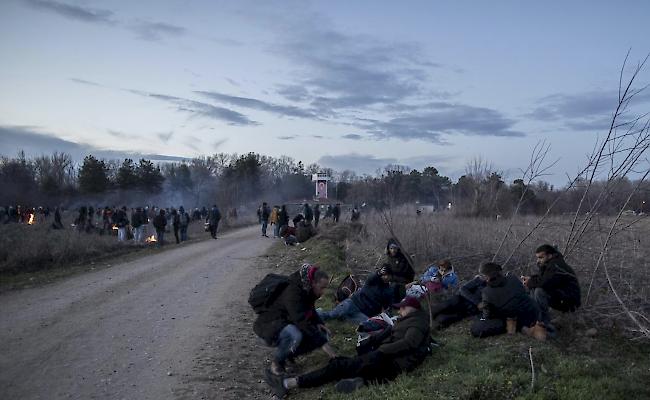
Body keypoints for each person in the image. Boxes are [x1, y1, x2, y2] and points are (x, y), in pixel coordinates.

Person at [265, 296, 431, 397]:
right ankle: (361, 380)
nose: (400, 310)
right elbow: (389, 333)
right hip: (389, 363)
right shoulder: (410, 320)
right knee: (347, 365)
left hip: (390, 361)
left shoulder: (417, 323)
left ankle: (289, 383)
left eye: (403, 307)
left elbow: (410, 343)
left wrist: (382, 350)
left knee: (338, 365)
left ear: (413, 308)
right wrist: (372, 341)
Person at [253, 264, 336, 376]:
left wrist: (319, 323)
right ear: (313, 283)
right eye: (322, 288)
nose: (323, 292)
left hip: (287, 322)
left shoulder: (307, 289)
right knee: (295, 335)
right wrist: (324, 344)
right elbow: (301, 320)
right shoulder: (292, 293)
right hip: (270, 326)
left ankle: (288, 355)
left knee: (321, 333)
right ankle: (277, 363)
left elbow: (310, 309)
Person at [470, 262, 538, 338]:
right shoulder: (513, 278)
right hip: (532, 313)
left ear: (487, 277)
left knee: (476, 329)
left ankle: (520, 327)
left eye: (482, 276)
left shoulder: (487, 292)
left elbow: (487, 315)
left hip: (516, 318)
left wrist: (482, 312)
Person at [522, 244, 581, 330]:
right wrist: (530, 279)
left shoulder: (556, 265)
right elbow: (542, 278)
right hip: (561, 295)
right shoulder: (550, 264)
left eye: (541, 257)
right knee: (534, 288)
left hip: (569, 300)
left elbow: (545, 283)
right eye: (537, 257)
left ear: (549, 256)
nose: (538, 260)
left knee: (539, 291)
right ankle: (535, 320)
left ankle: (544, 323)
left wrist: (530, 281)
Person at [318, 267, 394, 324]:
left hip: (364, 312)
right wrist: (378, 273)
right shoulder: (373, 281)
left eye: (388, 275)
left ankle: (342, 316)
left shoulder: (388, 291)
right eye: (384, 275)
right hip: (353, 302)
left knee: (366, 324)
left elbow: (386, 307)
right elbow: (372, 277)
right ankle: (314, 314)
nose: (386, 277)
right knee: (331, 315)